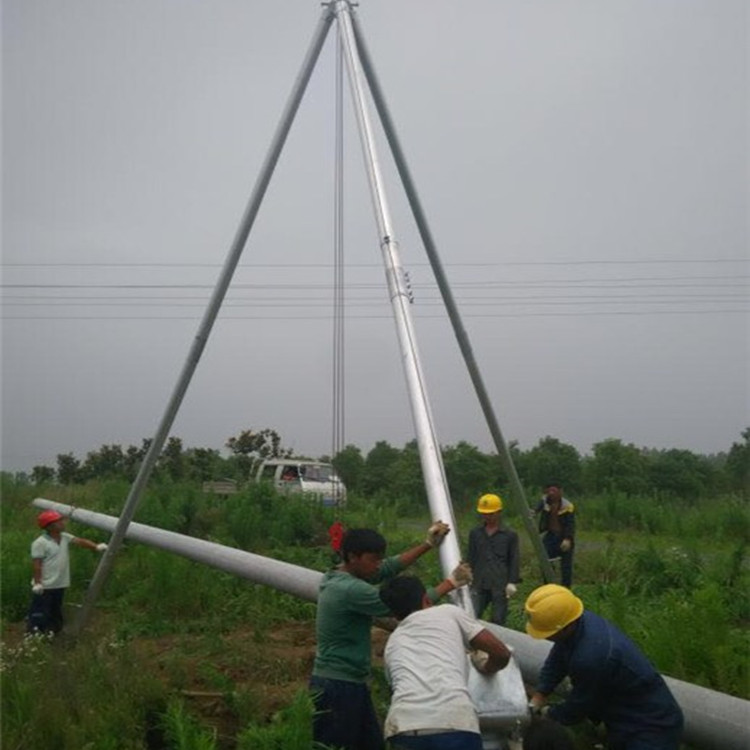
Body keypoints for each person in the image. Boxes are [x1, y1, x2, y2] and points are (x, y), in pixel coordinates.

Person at [309, 522, 469, 750]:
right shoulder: (349, 590)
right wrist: (450, 583)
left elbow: (387, 568)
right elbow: (405, 605)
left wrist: (427, 544)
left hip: (349, 682)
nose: (378, 565)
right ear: (353, 557)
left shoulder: (341, 574)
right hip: (338, 686)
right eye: (373, 559)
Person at [524, 584, 684, 750]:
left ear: (565, 627)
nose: (546, 638)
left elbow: (580, 705)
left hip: (650, 727)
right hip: (622, 718)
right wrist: (541, 694)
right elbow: (557, 659)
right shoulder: (576, 621)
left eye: (548, 633)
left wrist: (548, 714)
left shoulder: (591, 657)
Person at [379, 575, 512, 750]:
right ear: (426, 598)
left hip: (403, 727)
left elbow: (395, 685)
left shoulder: (392, 643)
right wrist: (486, 667)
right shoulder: (449, 613)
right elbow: (501, 652)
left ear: (393, 613)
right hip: (452, 721)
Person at [26, 510, 108, 636]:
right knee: (40, 612)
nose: (62, 523)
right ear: (50, 526)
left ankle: (54, 634)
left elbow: (80, 541)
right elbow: (37, 565)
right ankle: (34, 635)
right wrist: (38, 583)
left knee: (55, 611)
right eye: (59, 521)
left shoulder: (64, 537)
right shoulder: (40, 543)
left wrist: (96, 547)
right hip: (45, 586)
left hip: (59, 584)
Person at [467, 493, 520, 626]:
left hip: (500, 583)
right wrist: (467, 576)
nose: (487, 517)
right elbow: (471, 556)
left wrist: (512, 582)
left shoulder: (509, 534)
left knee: (498, 619)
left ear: (499, 512)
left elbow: (514, 558)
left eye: (491, 514)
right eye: (484, 514)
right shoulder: (475, 533)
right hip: (479, 581)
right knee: (472, 615)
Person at [533, 484, 575, 588]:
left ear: (560, 492)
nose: (551, 494)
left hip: (563, 537)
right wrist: (534, 512)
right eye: (549, 491)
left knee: (566, 565)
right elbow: (537, 509)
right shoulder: (544, 501)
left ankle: (566, 589)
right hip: (550, 535)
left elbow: (570, 524)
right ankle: (548, 586)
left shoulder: (567, 506)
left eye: (554, 491)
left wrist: (568, 539)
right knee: (545, 561)